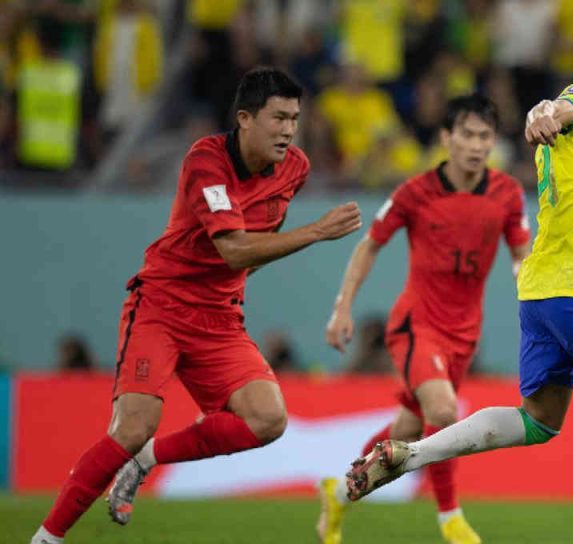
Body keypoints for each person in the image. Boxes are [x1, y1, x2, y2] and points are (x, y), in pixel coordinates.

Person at [344, 23, 573, 544]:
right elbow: (555, 109)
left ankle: (412, 454)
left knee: (539, 420)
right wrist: (541, 113)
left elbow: (571, 230)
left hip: (543, 292)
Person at [29, 67, 364, 544]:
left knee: (268, 419)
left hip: (219, 317)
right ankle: (46, 538)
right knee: (132, 428)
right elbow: (233, 248)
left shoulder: (296, 169)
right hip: (162, 306)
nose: (289, 130)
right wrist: (317, 231)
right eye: (279, 118)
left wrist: (231, 291)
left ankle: (147, 462)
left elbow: (256, 247)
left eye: (295, 119)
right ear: (245, 119)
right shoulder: (205, 161)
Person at [317, 94, 531, 544]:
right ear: (446, 138)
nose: (476, 145)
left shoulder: (507, 195)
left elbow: (522, 258)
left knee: (408, 430)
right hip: (417, 326)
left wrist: (538, 301)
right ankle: (450, 519)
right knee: (443, 412)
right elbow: (370, 244)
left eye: (485, 136)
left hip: (464, 336)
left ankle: (339, 492)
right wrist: (342, 306)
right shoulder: (415, 193)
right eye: (467, 135)